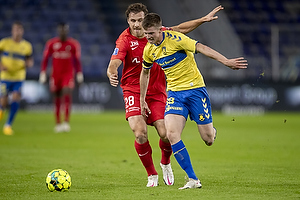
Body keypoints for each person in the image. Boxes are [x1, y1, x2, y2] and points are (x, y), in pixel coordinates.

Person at [107, 3, 224, 187]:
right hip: (133, 89)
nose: (137, 25)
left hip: (158, 90)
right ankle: (151, 174)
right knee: (140, 133)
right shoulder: (124, 40)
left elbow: (180, 29)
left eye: (140, 20)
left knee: (165, 133)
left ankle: (166, 163)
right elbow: (115, 61)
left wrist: (202, 20)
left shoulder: (155, 33)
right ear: (127, 21)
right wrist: (112, 72)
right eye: (133, 21)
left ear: (146, 20)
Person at [140, 13, 248, 189]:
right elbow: (145, 72)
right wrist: (142, 98)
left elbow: (202, 48)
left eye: (151, 33)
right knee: (171, 134)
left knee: (208, 139)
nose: (148, 37)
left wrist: (226, 61)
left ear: (160, 29)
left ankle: (211, 131)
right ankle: (192, 179)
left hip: (195, 90)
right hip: (175, 94)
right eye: (145, 33)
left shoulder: (176, 39)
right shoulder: (149, 50)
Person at [39, 22, 83, 133]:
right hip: (55, 75)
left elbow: (77, 61)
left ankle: (66, 122)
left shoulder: (73, 44)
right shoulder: (51, 43)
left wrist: (79, 74)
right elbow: (45, 59)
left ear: (67, 31)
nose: (63, 32)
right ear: (58, 31)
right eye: (61, 30)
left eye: (65, 30)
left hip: (68, 74)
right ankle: (58, 123)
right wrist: (43, 73)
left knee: (66, 93)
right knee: (57, 97)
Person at [0, 21, 34, 135]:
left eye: (19, 30)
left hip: (18, 78)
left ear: (22, 31)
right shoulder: (4, 43)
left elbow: (29, 60)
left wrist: (28, 64)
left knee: (15, 97)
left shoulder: (27, 46)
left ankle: (8, 125)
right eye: (15, 30)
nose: (17, 32)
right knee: (3, 102)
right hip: (5, 77)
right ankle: (2, 112)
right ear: (12, 31)